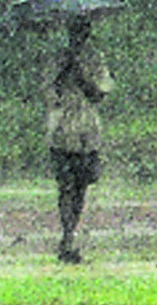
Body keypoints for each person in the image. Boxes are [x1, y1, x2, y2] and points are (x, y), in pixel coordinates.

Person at [42, 17, 113, 263]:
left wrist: (82, 74)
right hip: (63, 128)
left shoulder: (95, 59)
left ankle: (70, 233)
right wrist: (64, 70)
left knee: (81, 185)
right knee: (65, 185)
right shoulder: (59, 58)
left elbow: (100, 93)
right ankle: (66, 236)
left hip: (86, 130)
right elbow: (49, 90)